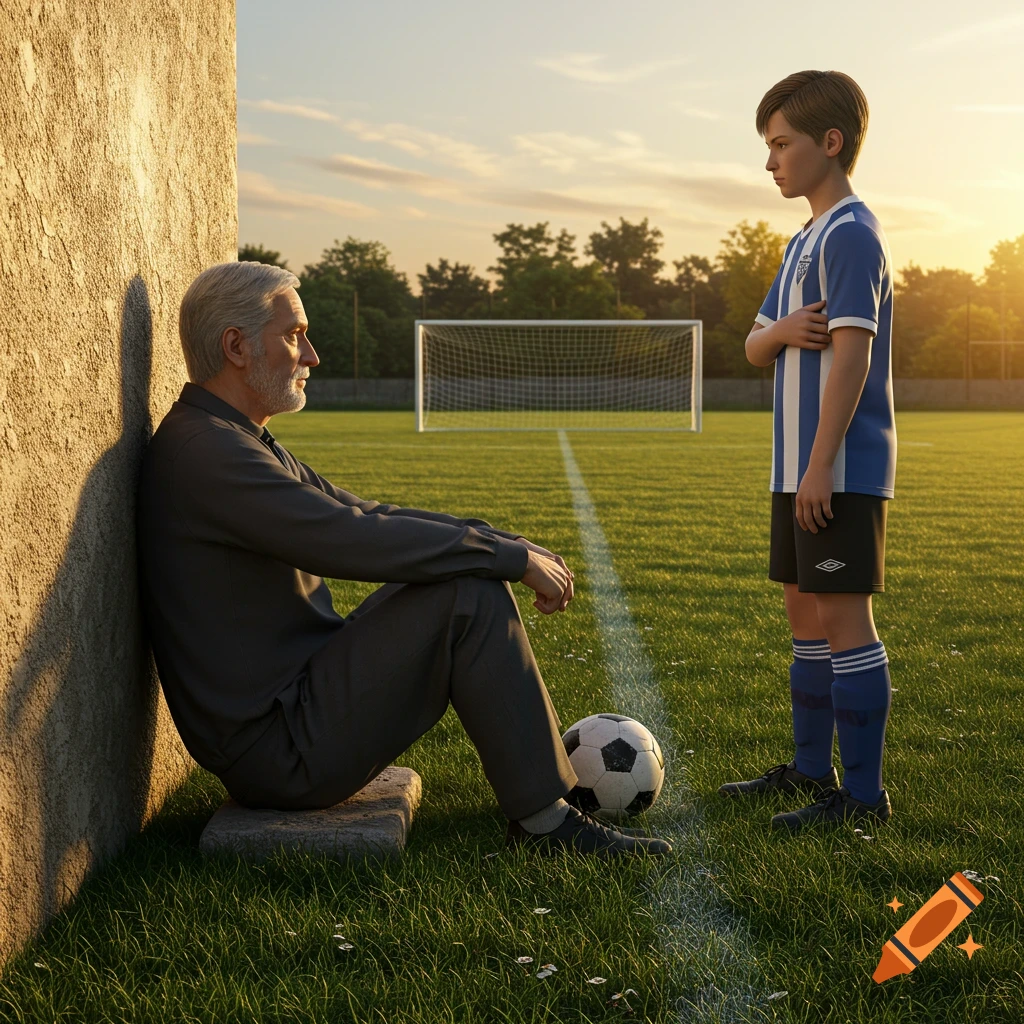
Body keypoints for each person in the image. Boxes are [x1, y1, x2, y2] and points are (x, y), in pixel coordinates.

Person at [137, 260, 671, 858]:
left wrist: (502, 543)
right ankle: (547, 827)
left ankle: (545, 810)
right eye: (294, 335)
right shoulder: (206, 453)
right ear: (235, 346)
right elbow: (348, 537)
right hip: (280, 749)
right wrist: (502, 557)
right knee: (467, 595)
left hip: (295, 711)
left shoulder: (229, 438)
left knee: (468, 579)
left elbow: (367, 512)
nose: (310, 354)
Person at [718, 71, 896, 832]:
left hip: (837, 468)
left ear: (830, 143)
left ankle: (861, 800)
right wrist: (784, 331)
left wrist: (822, 463)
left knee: (842, 615)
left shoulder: (853, 235)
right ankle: (806, 768)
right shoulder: (803, 241)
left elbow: (852, 356)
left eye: (780, 144)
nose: (771, 163)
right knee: (802, 609)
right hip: (795, 470)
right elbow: (755, 346)